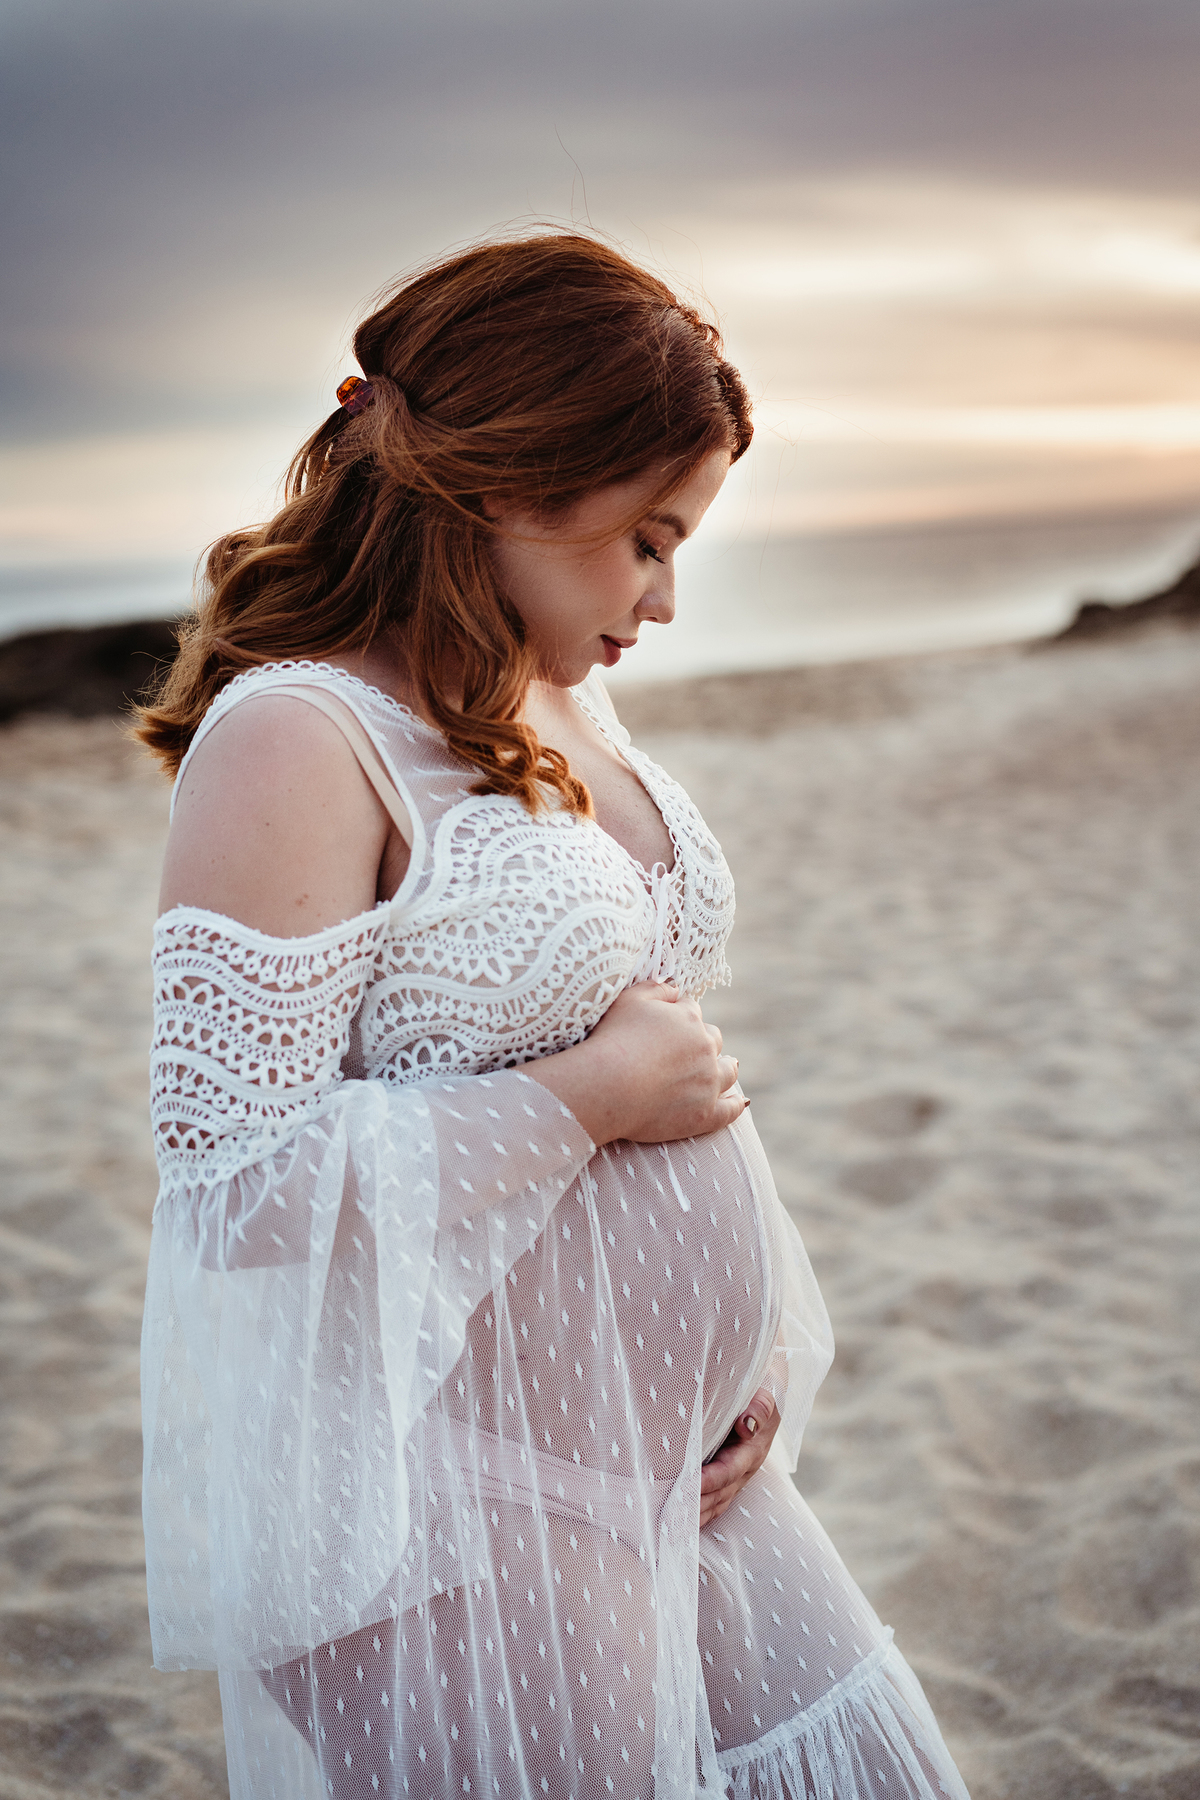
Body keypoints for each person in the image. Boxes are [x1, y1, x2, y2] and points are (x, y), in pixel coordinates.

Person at [137, 233, 969, 1800]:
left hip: (679, 1470)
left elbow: (665, 1065)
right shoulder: (301, 738)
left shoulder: (553, 692)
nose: (665, 596)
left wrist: (738, 1364)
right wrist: (587, 1097)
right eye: (648, 537)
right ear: (516, 479)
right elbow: (235, 1189)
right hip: (458, 1500)